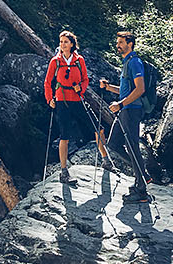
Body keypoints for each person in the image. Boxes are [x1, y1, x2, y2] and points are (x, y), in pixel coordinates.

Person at [43, 31, 105, 183]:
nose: (62, 44)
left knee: (98, 128)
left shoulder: (79, 60)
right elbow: (47, 82)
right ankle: (64, 171)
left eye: (65, 41)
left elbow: (85, 79)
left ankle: (106, 159)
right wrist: (49, 99)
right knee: (65, 135)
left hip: (77, 99)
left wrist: (81, 88)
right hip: (62, 101)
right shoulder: (55, 61)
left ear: (72, 44)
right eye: (61, 41)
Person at [99, 30, 152, 203]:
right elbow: (125, 90)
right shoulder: (127, 62)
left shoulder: (135, 62)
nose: (118, 45)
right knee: (113, 144)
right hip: (125, 110)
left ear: (130, 43)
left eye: (121, 42)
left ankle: (141, 190)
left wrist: (121, 104)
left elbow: (140, 89)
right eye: (118, 42)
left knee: (132, 146)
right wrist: (108, 88)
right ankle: (142, 174)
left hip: (131, 110)